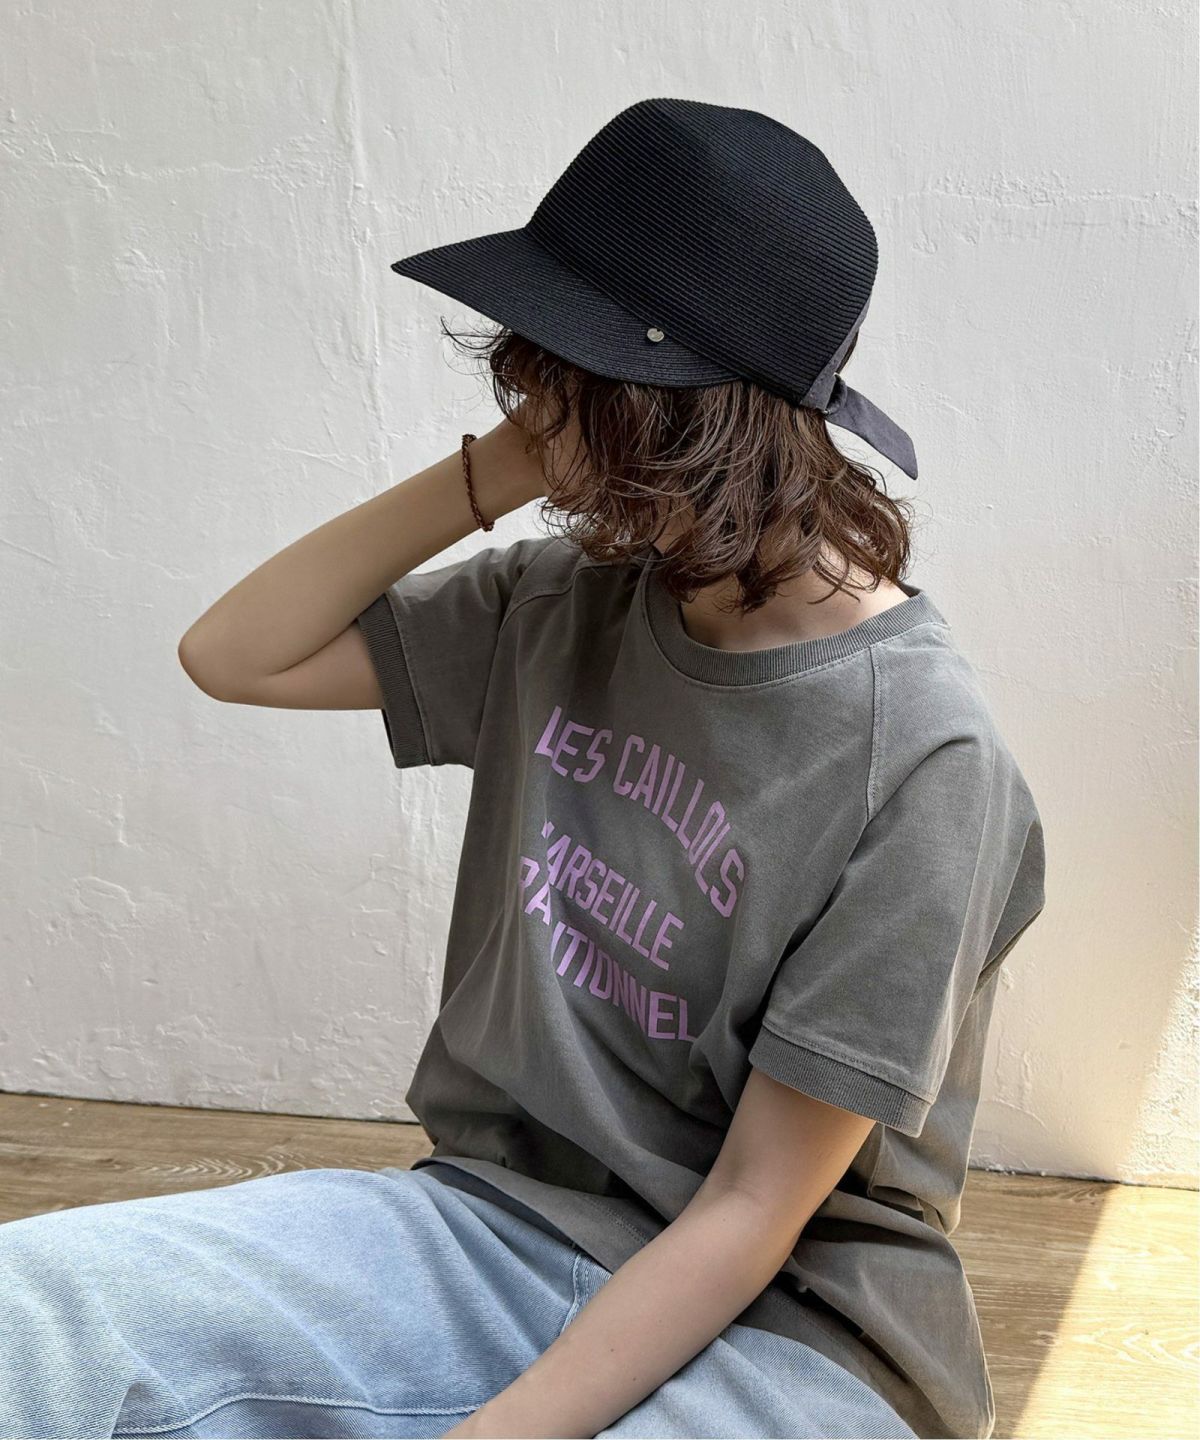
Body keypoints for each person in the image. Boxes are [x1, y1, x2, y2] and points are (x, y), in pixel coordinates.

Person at [0, 99, 1045, 1440]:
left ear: (671, 416)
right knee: (32, 1314)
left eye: (565, 377)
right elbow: (236, 652)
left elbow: (750, 1210)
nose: (535, 405)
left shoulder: (925, 763)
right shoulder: (565, 599)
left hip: (799, 1329)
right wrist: (489, 473)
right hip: (498, 1228)